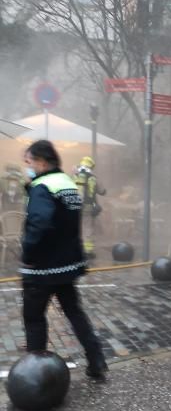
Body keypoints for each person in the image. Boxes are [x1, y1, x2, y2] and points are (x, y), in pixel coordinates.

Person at [21, 140, 108, 380]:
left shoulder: (42, 186)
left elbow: (40, 222)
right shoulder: (67, 184)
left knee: (34, 318)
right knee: (74, 312)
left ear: (41, 161)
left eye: (28, 161)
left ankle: (35, 376)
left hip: (42, 268)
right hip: (67, 265)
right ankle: (96, 358)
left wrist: (27, 253)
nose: (27, 167)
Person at [73, 156, 106, 258]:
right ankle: (88, 252)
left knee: (75, 227)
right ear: (91, 166)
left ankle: (74, 249)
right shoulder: (92, 177)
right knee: (87, 228)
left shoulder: (75, 175)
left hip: (74, 205)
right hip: (87, 207)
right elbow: (102, 191)